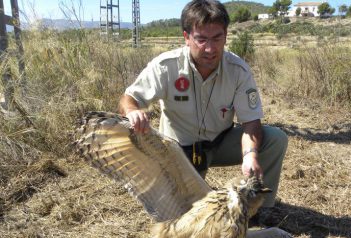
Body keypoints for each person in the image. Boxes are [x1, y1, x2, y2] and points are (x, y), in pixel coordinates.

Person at [119, 0, 287, 209]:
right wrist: (133, 111)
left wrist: (250, 155)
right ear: (186, 37)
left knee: (276, 139)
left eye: (217, 38)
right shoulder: (166, 66)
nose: (210, 48)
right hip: (178, 151)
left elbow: (251, 122)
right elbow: (128, 98)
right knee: (183, 211)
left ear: (226, 36)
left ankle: (260, 210)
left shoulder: (238, 70)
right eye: (201, 39)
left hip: (220, 142)